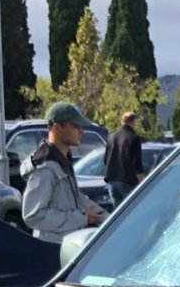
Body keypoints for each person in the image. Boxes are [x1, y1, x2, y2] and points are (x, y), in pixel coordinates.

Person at [21, 101, 104, 243]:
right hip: (52, 250)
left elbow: (75, 199)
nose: (81, 131)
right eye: (75, 126)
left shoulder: (62, 158)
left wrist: (106, 218)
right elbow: (33, 215)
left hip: (67, 246)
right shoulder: (45, 166)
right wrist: (82, 218)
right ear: (57, 128)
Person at [103, 110, 145, 207]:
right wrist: (142, 181)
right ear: (134, 122)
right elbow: (136, 162)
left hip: (111, 180)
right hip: (127, 181)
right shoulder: (134, 138)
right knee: (131, 211)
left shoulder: (111, 137)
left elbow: (106, 159)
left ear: (122, 122)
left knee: (119, 214)